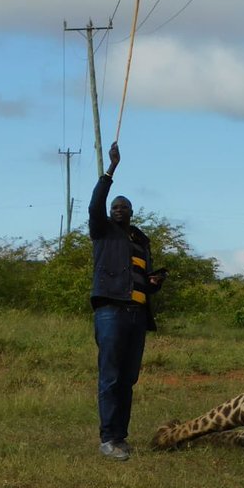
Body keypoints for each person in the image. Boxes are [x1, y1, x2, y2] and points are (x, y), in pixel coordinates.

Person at [88, 141, 166, 460]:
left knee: (128, 379)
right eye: (115, 207)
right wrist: (111, 169)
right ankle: (108, 439)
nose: (118, 210)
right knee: (111, 376)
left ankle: (120, 436)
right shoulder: (102, 231)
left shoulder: (139, 242)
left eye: (124, 207)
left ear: (132, 212)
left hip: (137, 315)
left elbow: (143, 282)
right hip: (111, 312)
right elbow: (95, 204)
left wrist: (153, 282)